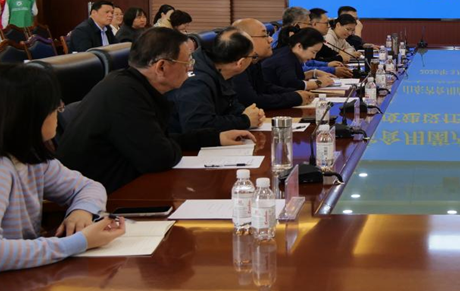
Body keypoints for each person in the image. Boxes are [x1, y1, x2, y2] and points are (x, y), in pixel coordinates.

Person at [0, 64, 123, 283]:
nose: (59, 112)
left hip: (12, 278)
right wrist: (78, 242)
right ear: (28, 116)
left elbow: (88, 187)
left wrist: (82, 211)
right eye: (55, 106)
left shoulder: (28, 157)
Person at [57, 27, 256, 193]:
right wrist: (167, 145)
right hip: (99, 201)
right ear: (161, 67)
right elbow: (160, 157)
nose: (191, 68)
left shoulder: (135, 86)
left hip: (124, 186)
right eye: (187, 62)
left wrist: (216, 138)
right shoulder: (125, 94)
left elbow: (159, 141)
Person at [167, 27, 265, 133]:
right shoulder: (197, 83)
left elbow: (229, 105)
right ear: (240, 63)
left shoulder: (218, 69)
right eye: (253, 56)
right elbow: (198, 126)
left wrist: (248, 113)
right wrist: (245, 120)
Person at [232, 18, 314, 110]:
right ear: (246, 40)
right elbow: (252, 101)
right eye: (264, 36)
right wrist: (295, 98)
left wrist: (295, 93)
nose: (271, 39)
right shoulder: (237, 66)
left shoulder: (254, 62)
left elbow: (264, 87)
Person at [262, 26, 332, 91]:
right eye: (313, 52)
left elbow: (294, 77)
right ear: (299, 46)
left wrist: (314, 73)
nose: (314, 57)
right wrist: (318, 83)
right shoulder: (285, 59)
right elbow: (292, 84)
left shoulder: (289, 53)